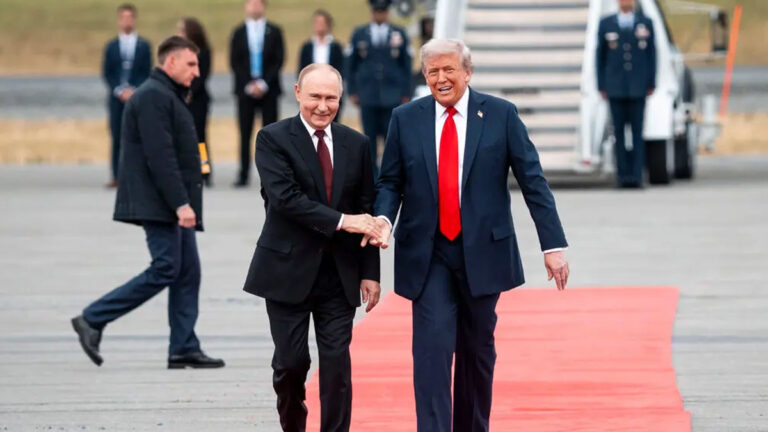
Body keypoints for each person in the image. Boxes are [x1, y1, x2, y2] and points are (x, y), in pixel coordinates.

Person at [366, 39, 570, 432]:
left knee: (477, 353)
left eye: (449, 70)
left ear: (467, 72)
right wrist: (383, 220)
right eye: (432, 72)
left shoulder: (500, 115)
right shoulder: (405, 118)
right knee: (432, 351)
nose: (441, 79)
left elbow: (533, 181)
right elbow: (390, 182)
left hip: (482, 253)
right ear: (424, 76)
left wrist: (553, 245)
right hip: (428, 255)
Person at [242, 64, 381, 432]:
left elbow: (367, 209)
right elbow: (286, 199)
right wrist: (342, 220)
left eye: (331, 97)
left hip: (340, 273)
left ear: (341, 98)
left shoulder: (358, 144)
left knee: (337, 364)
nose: (323, 106)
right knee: (291, 364)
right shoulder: (272, 139)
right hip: (287, 271)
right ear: (298, 92)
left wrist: (370, 273)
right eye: (315, 96)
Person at [72, 36, 225, 370]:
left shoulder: (166, 94)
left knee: (187, 271)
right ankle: (93, 318)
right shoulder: (154, 96)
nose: (197, 72)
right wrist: (181, 204)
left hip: (171, 201)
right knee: (167, 268)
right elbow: (160, 157)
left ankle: (183, 346)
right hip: (162, 202)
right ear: (170, 63)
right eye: (191, 64)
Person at [347, 0, 412, 177]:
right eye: (377, 11)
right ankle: (373, 178)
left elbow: (406, 65)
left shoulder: (399, 33)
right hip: (368, 94)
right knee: (369, 139)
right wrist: (352, 90)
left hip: (392, 95)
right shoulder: (360, 33)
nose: (380, 15)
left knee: (391, 138)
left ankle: (391, 175)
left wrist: (406, 92)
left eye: (383, 11)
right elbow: (351, 64)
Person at [597, 0, 656, 188]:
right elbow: (600, 56)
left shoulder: (645, 22)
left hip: (638, 87)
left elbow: (652, 55)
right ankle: (622, 176)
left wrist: (651, 81)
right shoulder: (606, 23)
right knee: (619, 134)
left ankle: (637, 176)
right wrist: (602, 85)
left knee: (638, 133)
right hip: (615, 87)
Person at [229, 0, 285, 187]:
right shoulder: (238, 32)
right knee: (244, 133)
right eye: (251, 4)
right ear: (246, 6)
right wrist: (248, 84)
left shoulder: (274, 31)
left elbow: (279, 59)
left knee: (271, 134)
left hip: (268, 89)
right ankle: (243, 174)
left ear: (264, 6)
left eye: (258, 4)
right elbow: (234, 61)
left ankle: (271, 175)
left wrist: (263, 83)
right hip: (245, 91)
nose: (254, 7)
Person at [102, 3, 151, 187]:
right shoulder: (112, 46)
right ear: (119, 20)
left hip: (137, 98)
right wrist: (119, 90)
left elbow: (147, 71)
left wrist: (134, 90)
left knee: (138, 137)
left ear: (135, 19)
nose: (127, 21)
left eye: (130, 17)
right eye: (123, 17)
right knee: (117, 136)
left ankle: (137, 176)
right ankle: (116, 175)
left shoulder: (144, 46)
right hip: (117, 99)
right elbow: (107, 72)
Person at [178, 17, 214, 187]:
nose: (179, 34)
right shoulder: (179, 52)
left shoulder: (204, 51)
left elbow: (202, 75)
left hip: (198, 100)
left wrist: (190, 91)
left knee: (199, 138)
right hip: (181, 99)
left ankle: (205, 171)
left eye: (182, 30)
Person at [298, 10, 345, 122]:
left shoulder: (336, 47)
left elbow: (342, 69)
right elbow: (301, 70)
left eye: (322, 23)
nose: (319, 26)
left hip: (331, 89)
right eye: (317, 23)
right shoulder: (307, 46)